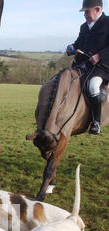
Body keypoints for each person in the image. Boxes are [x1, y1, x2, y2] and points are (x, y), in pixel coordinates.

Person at [67, 0, 109, 134]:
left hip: (102, 66)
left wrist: (99, 55)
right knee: (64, 80)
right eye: (84, 12)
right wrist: (72, 47)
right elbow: (78, 43)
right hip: (83, 65)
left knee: (93, 86)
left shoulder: (108, 23)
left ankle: (96, 122)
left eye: (87, 11)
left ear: (97, 9)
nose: (85, 14)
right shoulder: (84, 27)